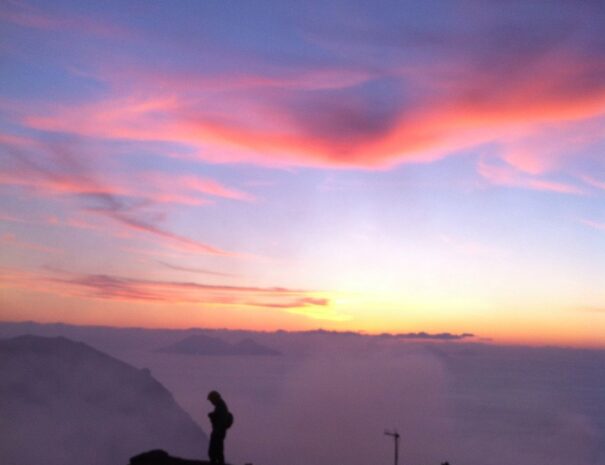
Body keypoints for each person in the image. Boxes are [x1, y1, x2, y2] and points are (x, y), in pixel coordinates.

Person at [207, 390, 231, 464]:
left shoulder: (221, 407)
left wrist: (213, 417)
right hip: (219, 432)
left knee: (215, 450)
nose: (211, 402)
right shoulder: (220, 406)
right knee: (218, 450)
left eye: (211, 400)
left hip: (218, 432)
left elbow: (220, 420)